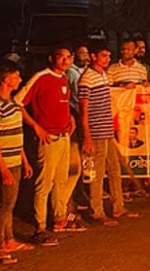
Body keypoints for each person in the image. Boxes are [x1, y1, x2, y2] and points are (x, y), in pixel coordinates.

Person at [14, 45, 80, 245]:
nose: (65, 60)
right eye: (61, 56)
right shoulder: (41, 77)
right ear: (52, 58)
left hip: (63, 136)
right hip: (48, 138)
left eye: (69, 57)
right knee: (44, 183)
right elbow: (18, 102)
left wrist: (70, 118)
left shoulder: (64, 79)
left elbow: (61, 102)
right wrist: (36, 126)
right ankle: (39, 227)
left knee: (61, 180)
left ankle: (59, 219)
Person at [80, 41, 139, 224]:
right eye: (104, 56)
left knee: (114, 169)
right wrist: (87, 136)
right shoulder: (87, 78)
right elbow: (84, 110)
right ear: (93, 57)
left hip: (106, 130)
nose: (108, 59)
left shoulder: (103, 76)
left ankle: (118, 206)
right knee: (97, 172)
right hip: (96, 132)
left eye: (109, 56)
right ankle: (97, 211)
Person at [0, 60, 34, 264]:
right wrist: (2, 168)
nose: (20, 80)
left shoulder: (13, 104)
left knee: (10, 204)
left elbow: (17, 134)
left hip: (15, 160)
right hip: (5, 162)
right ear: (6, 79)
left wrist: (24, 160)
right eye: (16, 76)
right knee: (4, 205)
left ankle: (9, 240)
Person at [66, 44, 90, 214]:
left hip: (80, 118)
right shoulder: (71, 73)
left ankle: (79, 194)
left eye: (87, 53)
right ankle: (70, 201)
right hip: (73, 117)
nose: (86, 56)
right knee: (72, 164)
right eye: (82, 53)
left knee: (81, 160)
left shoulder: (83, 71)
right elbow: (75, 95)